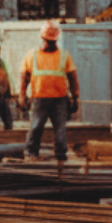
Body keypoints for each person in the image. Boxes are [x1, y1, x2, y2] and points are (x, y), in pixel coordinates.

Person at [19, 20, 80, 163]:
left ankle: (61, 155)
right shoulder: (32, 55)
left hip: (59, 99)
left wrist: (75, 97)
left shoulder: (64, 55)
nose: (50, 44)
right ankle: (31, 152)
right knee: (36, 127)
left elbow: (72, 78)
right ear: (42, 38)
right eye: (48, 41)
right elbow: (24, 77)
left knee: (60, 130)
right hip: (40, 98)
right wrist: (21, 95)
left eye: (52, 41)